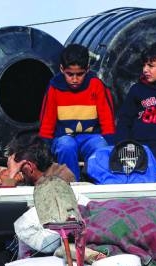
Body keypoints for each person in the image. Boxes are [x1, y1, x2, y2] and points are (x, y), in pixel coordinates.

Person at [38, 43, 116, 182]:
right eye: (70, 74)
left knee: (100, 146)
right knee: (66, 145)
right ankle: (71, 184)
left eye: (79, 74)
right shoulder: (54, 87)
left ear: (87, 69)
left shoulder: (96, 85)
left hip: (90, 138)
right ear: (62, 69)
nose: (74, 79)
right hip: (64, 137)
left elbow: (107, 119)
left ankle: (102, 184)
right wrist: (45, 147)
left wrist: (109, 143)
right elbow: (47, 121)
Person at [0, 132, 75, 187]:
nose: (20, 174)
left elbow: (5, 201)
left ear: (29, 167)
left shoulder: (62, 177)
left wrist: (12, 173)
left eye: (21, 171)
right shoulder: (38, 172)